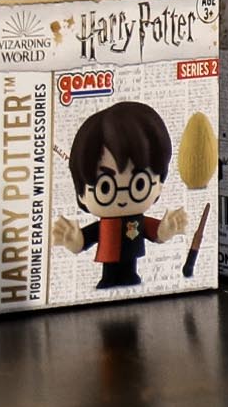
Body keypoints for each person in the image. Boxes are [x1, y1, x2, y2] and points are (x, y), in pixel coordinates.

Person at [52, 101, 184, 290]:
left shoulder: (138, 220)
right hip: (109, 260)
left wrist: (165, 230)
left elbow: (154, 232)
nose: (122, 197)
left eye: (140, 183)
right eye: (105, 187)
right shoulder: (104, 224)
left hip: (132, 264)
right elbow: (87, 238)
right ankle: (109, 279)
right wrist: (75, 240)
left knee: (130, 276)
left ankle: (128, 276)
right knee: (110, 277)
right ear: (82, 194)